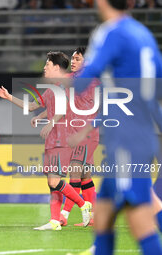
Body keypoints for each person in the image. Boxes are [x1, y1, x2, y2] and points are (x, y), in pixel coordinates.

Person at [65, 0, 162, 254]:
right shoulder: (142, 34)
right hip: (137, 134)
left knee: (140, 218)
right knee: (104, 214)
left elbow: (84, 78)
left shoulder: (110, 31)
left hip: (127, 139)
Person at [0, 51, 92, 231]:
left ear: (56, 67)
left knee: (54, 181)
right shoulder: (52, 89)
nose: (44, 68)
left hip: (63, 138)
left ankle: (83, 205)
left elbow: (63, 108)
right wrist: (9, 97)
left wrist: (51, 123)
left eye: (47, 64)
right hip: (53, 139)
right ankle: (55, 221)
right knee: (52, 183)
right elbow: (31, 106)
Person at [32, 47, 99, 227]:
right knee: (85, 176)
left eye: (77, 58)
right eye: (72, 59)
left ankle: (64, 215)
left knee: (75, 173)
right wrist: (41, 115)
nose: (73, 62)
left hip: (85, 133)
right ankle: (93, 217)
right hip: (74, 132)